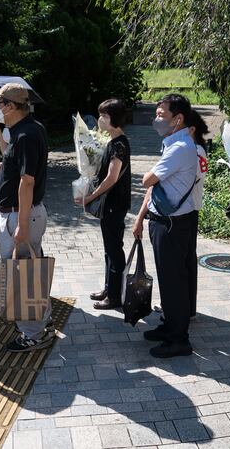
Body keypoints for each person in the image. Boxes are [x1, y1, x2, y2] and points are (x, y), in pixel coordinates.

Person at [0, 84, 51, 353]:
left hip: (21, 216)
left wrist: (21, 224)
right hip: (21, 215)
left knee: (22, 275)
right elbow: (22, 167)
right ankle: (38, 322)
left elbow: (27, 181)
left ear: (11, 106)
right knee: (28, 272)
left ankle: (33, 334)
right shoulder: (28, 130)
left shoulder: (25, 134)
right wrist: (1, 165)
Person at [132, 93, 198, 358]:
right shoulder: (173, 143)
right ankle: (169, 326)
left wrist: (151, 175)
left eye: (161, 115)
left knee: (174, 284)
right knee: (170, 281)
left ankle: (178, 339)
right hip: (170, 222)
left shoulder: (180, 147)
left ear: (178, 118)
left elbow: (147, 180)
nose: (156, 120)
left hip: (173, 225)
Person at [77, 99, 131, 310]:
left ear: (114, 119)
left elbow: (112, 178)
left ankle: (116, 296)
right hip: (110, 203)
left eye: (104, 116)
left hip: (114, 203)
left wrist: (89, 197)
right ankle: (109, 288)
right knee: (109, 248)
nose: (100, 119)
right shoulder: (113, 142)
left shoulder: (119, 144)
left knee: (115, 249)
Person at [185, 109, 209, 317]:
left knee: (187, 261)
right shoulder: (191, 148)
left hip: (189, 208)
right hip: (187, 208)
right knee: (186, 260)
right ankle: (185, 305)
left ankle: (188, 307)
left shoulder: (197, 150)